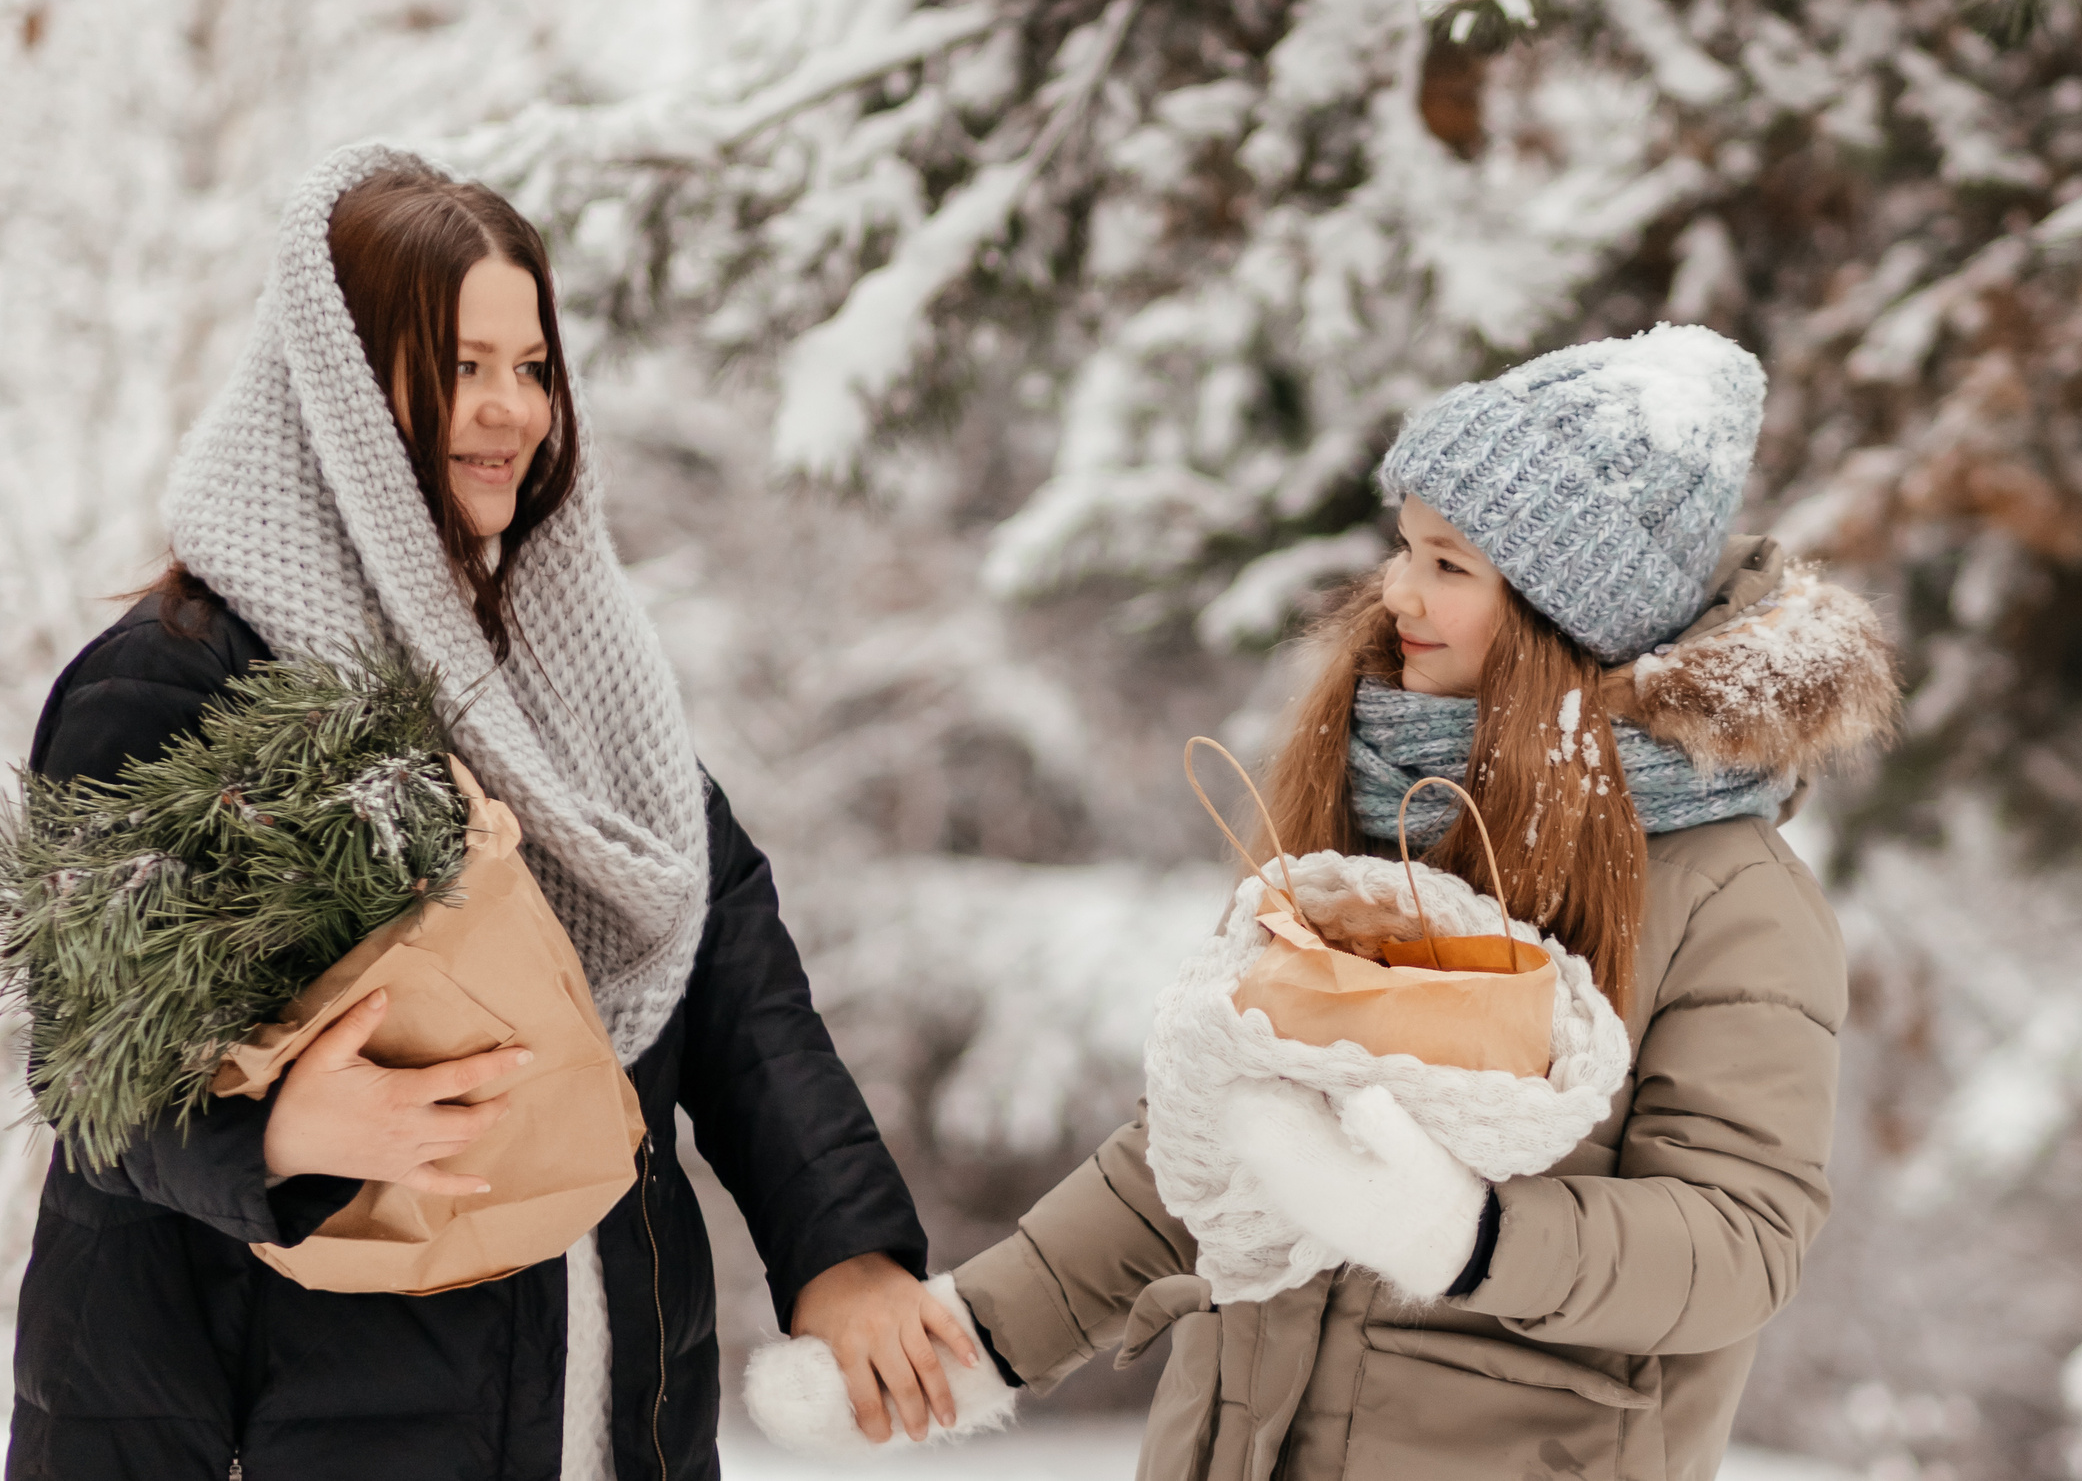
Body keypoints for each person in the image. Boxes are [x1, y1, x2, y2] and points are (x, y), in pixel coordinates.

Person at [7, 145, 968, 1481]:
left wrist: (843, 1247)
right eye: (461, 364)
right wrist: (280, 1132)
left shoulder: (577, 678)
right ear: (337, 394)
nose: (510, 407)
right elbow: (88, 1064)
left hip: (601, 1404)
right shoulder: (177, 679)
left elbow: (732, 976)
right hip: (241, 1421)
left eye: (534, 365)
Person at [946, 328, 1901, 1479]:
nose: (1397, 591)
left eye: (1450, 566)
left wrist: (1467, 1236)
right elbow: (1213, 1135)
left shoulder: (1732, 899)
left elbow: (1739, 1243)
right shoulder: (1378, 808)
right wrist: (968, 1340)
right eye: (1405, 548)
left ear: (1566, 617)